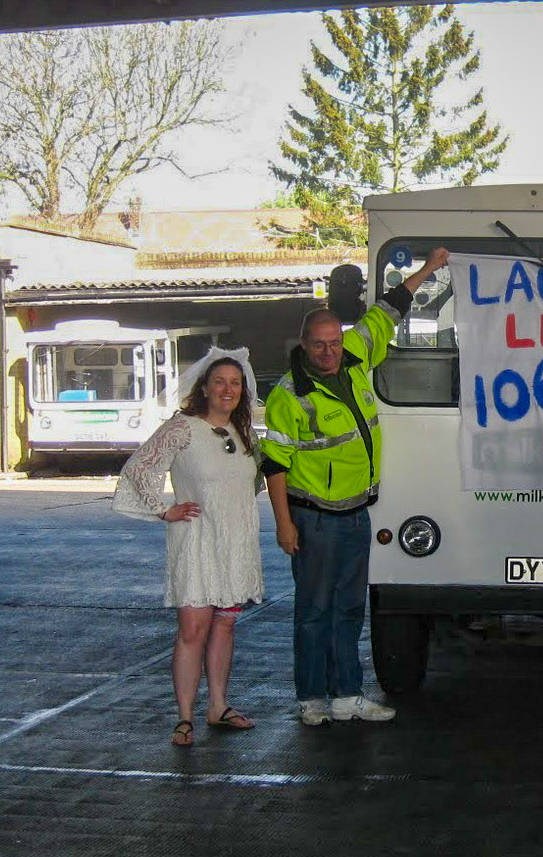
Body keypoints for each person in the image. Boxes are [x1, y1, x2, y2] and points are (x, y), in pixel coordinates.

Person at [263, 247, 450, 725]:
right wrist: (284, 525)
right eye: (319, 345)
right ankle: (312, 700)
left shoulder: (355, 355)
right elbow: (275, 465)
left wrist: (429, 269)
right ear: (303, 344)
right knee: (314, 611)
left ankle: (347, 696)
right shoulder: (290, 395)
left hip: (354, 515)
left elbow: (389, 309)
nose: (329, 352)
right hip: (313, 518)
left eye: (333, 342)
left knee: (349, 608)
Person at [113, 348, 265, 745]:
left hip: (234, 544)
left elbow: (251, 484)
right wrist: (163, 510)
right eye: (220, 382)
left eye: (235, 383)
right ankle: (184, 717)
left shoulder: (244, 432)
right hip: (197, 541)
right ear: (205, 388)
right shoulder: (183, 428)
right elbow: (139, 467)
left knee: (226, 624)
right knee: (192, 629)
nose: (228, 389)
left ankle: (218, 705)